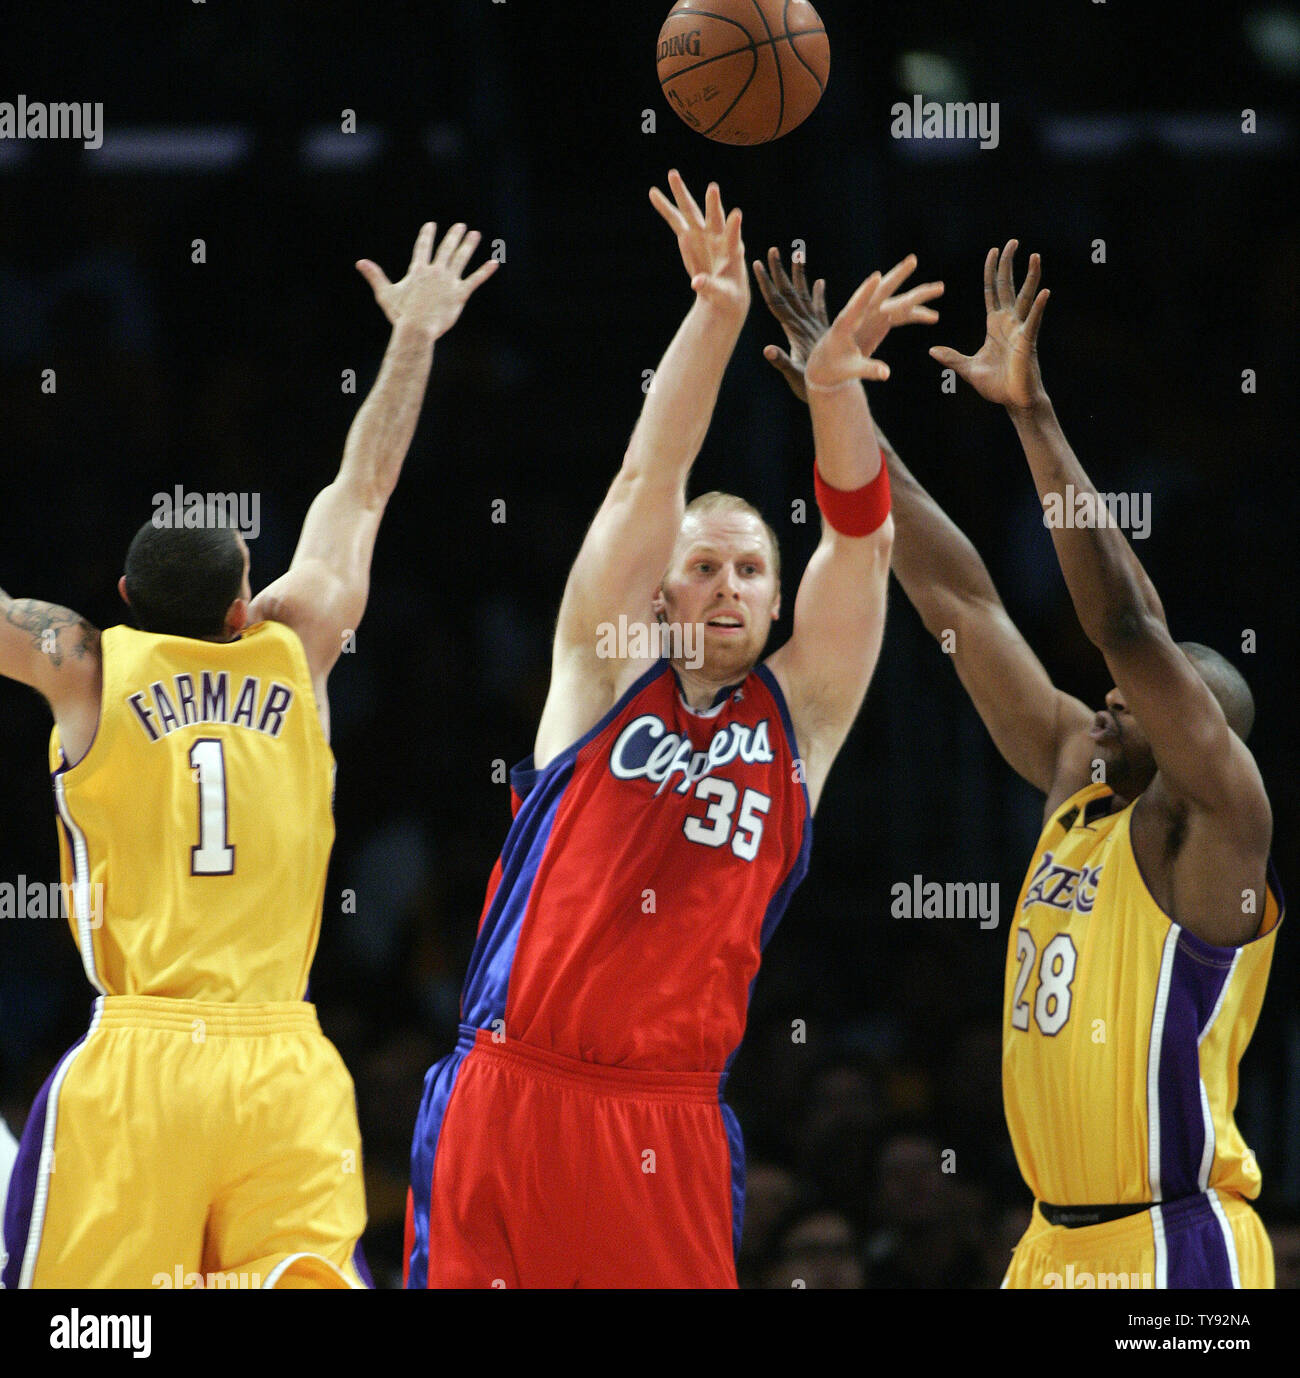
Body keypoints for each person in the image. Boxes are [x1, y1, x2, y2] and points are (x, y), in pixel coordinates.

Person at [404, 172, 940, 1288]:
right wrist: (717, 315)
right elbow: (650, 475)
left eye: (752, 569)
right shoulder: (602, 672)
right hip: (510, 1085)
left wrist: (835, 390)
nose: (729, 586)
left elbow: (863, 548)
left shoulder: (804, 717)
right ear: (661, 592)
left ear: (778, 599)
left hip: (666, 1117)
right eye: (704, 567)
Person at [758, 241, 1282, 1289]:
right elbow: (958, 600)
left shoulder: (1217, 821)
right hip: (1046, 1244)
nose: (1105, 700)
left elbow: (1126, 623)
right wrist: (842, 411)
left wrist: (1030, 416)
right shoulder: (1071, 776)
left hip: (1174, 1242)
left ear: (1196, 728)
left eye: (1134, 699)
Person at [0, 220, 496, 1289]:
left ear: (125, 600)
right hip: (282, 1056)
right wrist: (413, 333)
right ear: (244, 600)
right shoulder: (298, 643)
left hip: (139, 1062)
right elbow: (362, 488)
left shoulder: (84, 664)